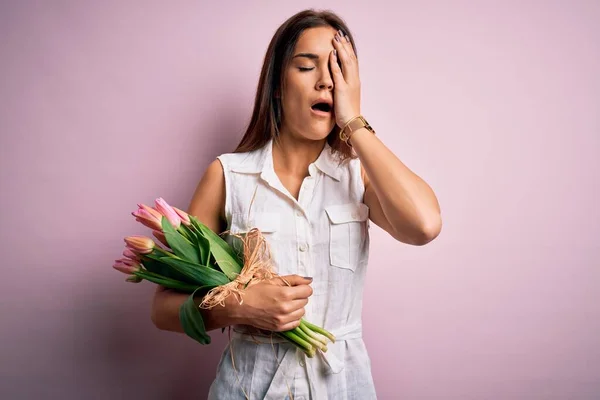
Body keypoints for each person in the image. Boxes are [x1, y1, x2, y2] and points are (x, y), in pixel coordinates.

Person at [151, 9, 442, 400]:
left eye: (339, 70)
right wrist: (239, 305)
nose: (326, 81)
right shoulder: (227, 176)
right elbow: (164, 309)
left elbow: (424, 225)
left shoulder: (360, 174)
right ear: (276, 84)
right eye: (307, 67)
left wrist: (354, 121)